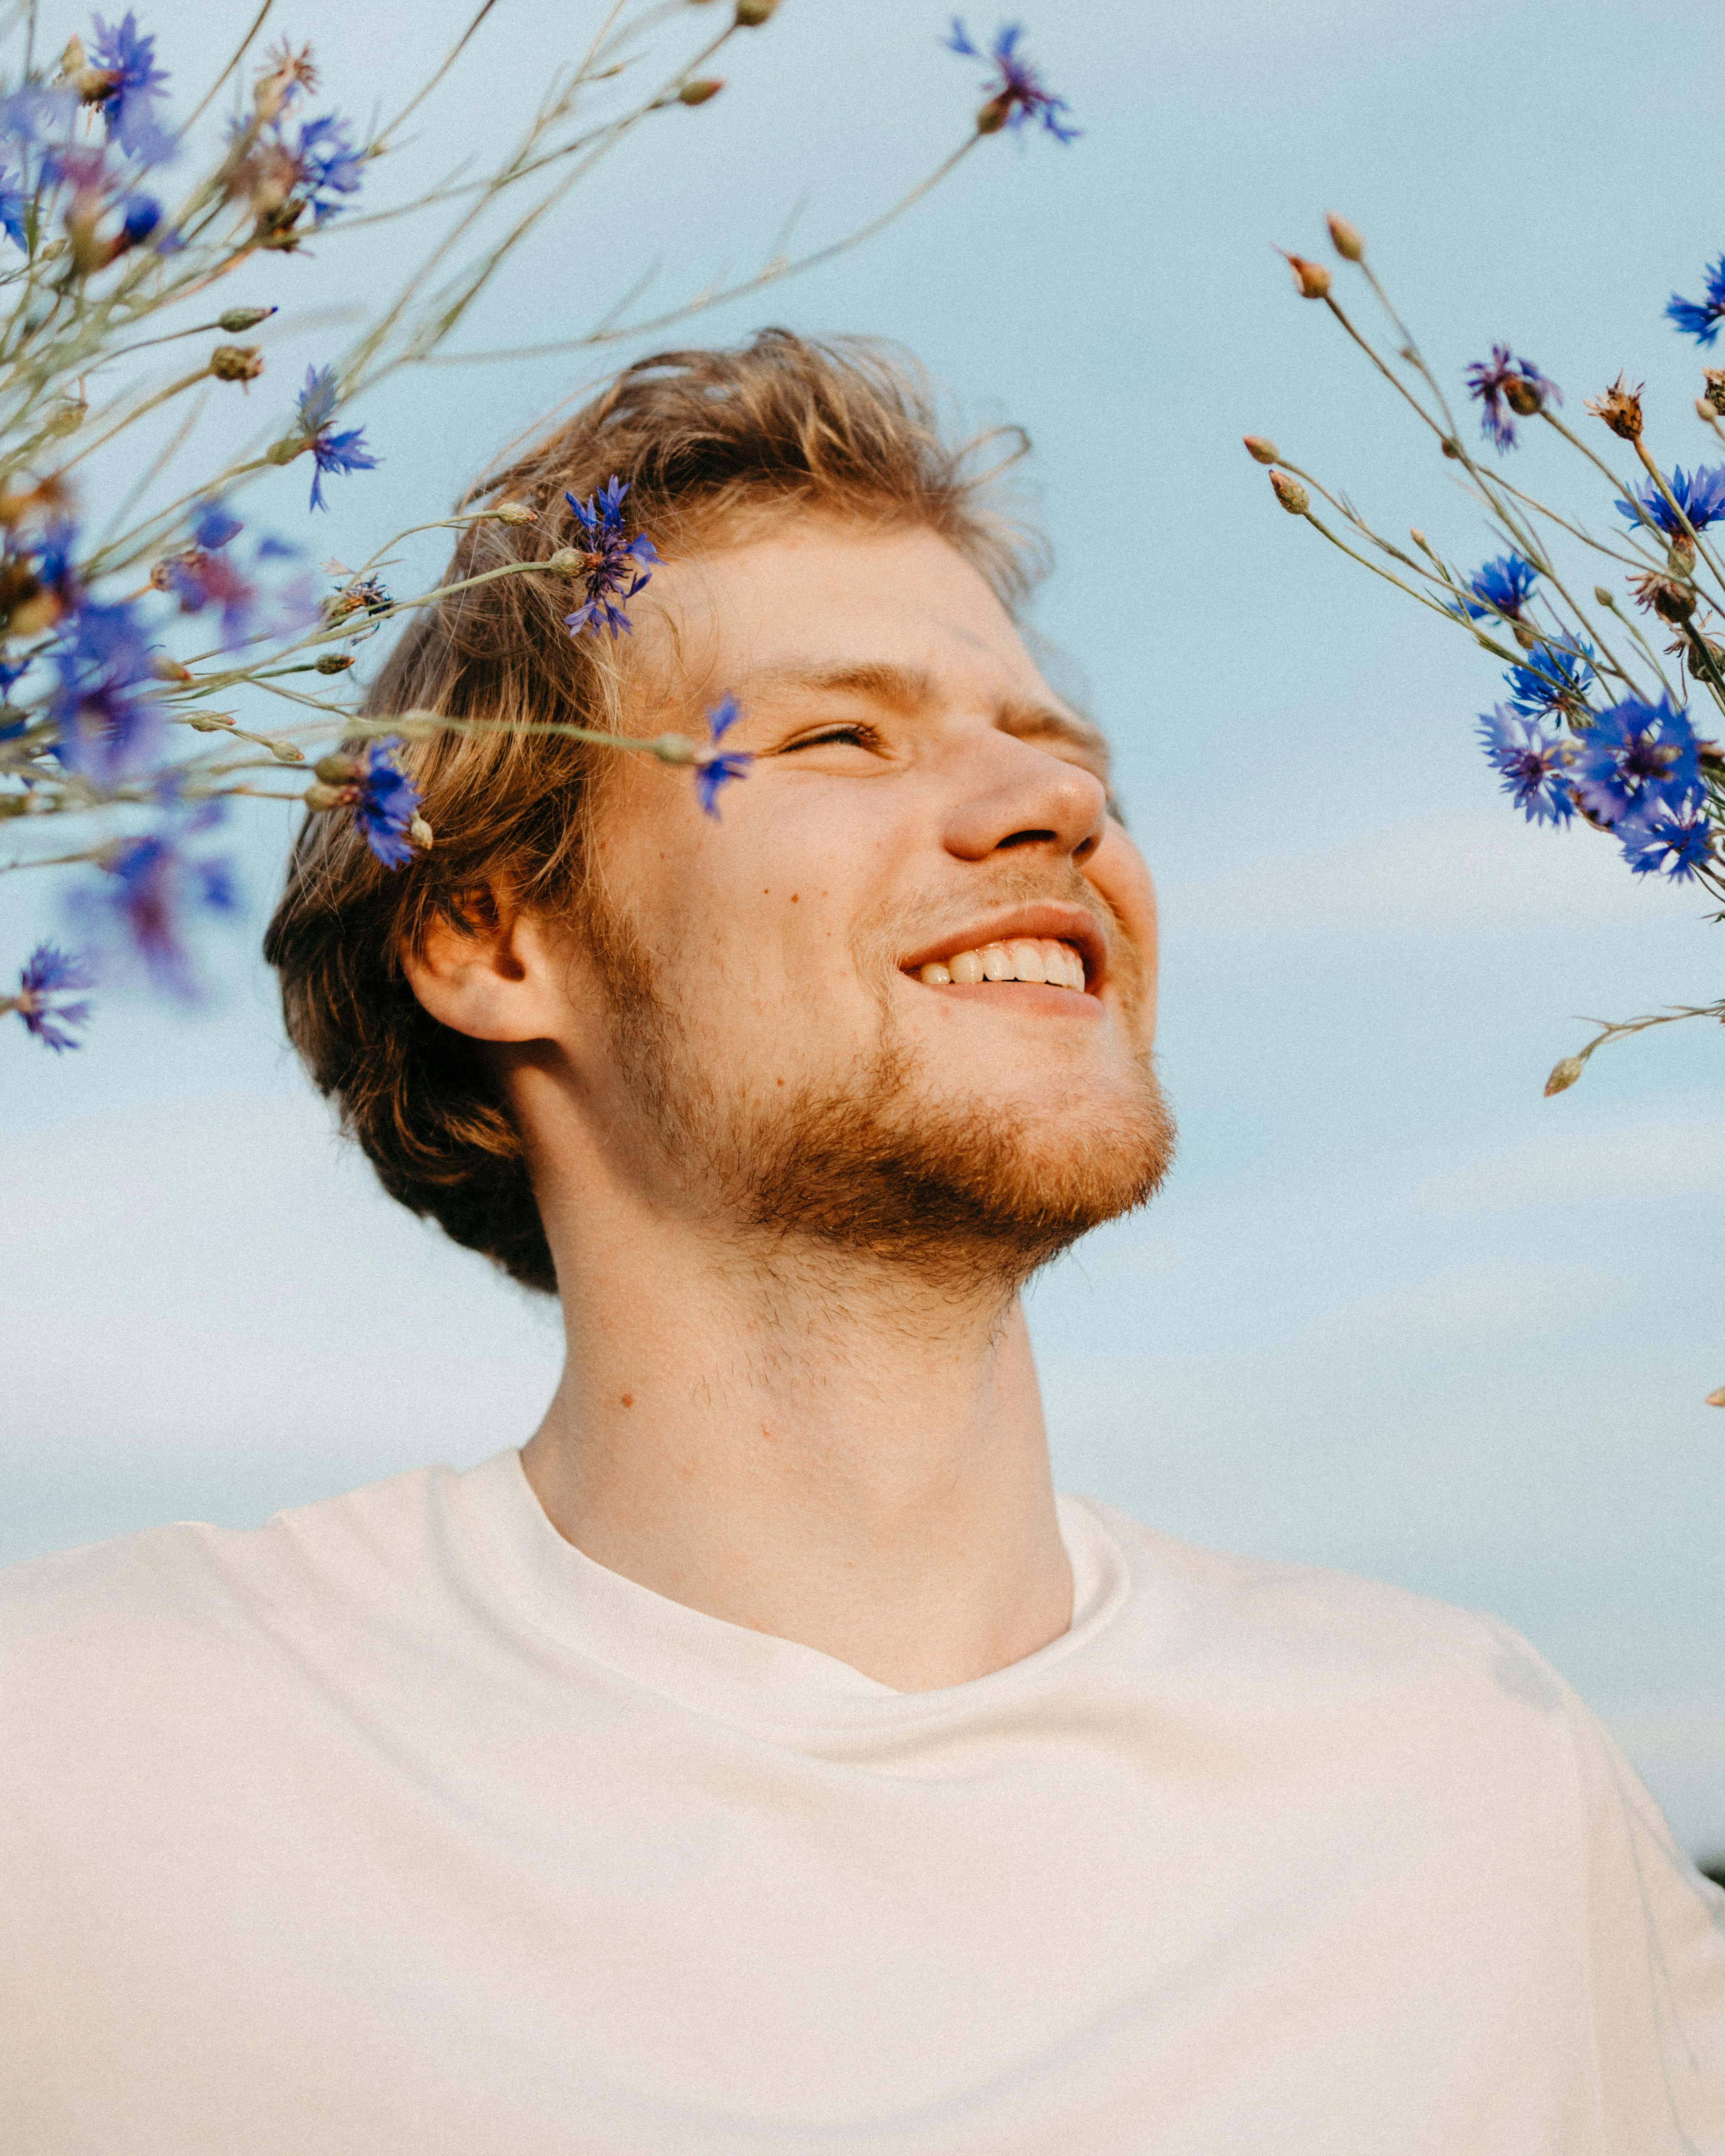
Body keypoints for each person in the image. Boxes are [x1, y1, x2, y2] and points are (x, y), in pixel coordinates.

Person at [3, 331, 1722, 2155]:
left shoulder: (1477, 1791)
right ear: (498, 935)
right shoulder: (92, 1772)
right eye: (845, 735)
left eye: (1065, 759)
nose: (1059, 811)